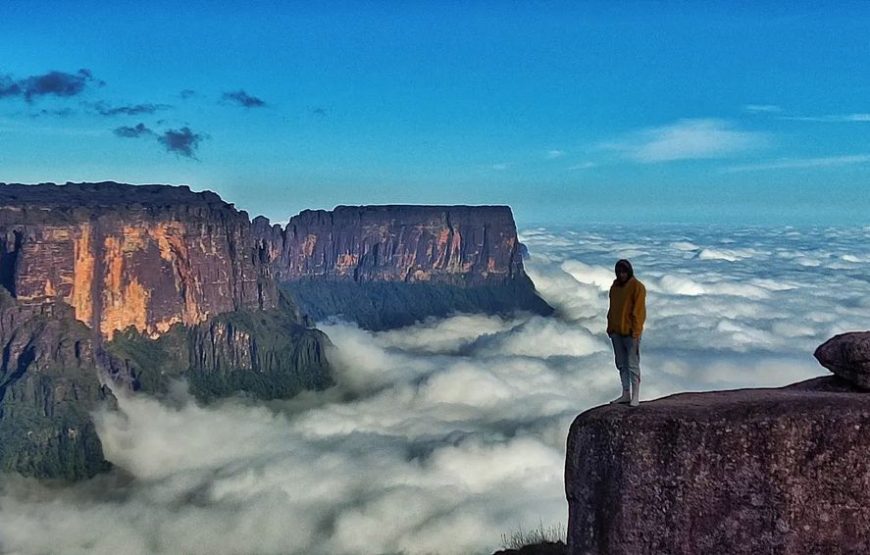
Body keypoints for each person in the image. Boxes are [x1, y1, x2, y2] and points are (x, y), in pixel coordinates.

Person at [606, 259, 646, 407]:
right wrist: (610, 326)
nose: (622, 275)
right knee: (621, 363)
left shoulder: (637, 287)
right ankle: (626, 393)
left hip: (630, 333)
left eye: (624, 272)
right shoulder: (615, 288)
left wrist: (636, 330)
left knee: (632, 364)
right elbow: (612, 309)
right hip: (616, 331)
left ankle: (635, 395)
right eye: (619, 272)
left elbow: (639, 311)